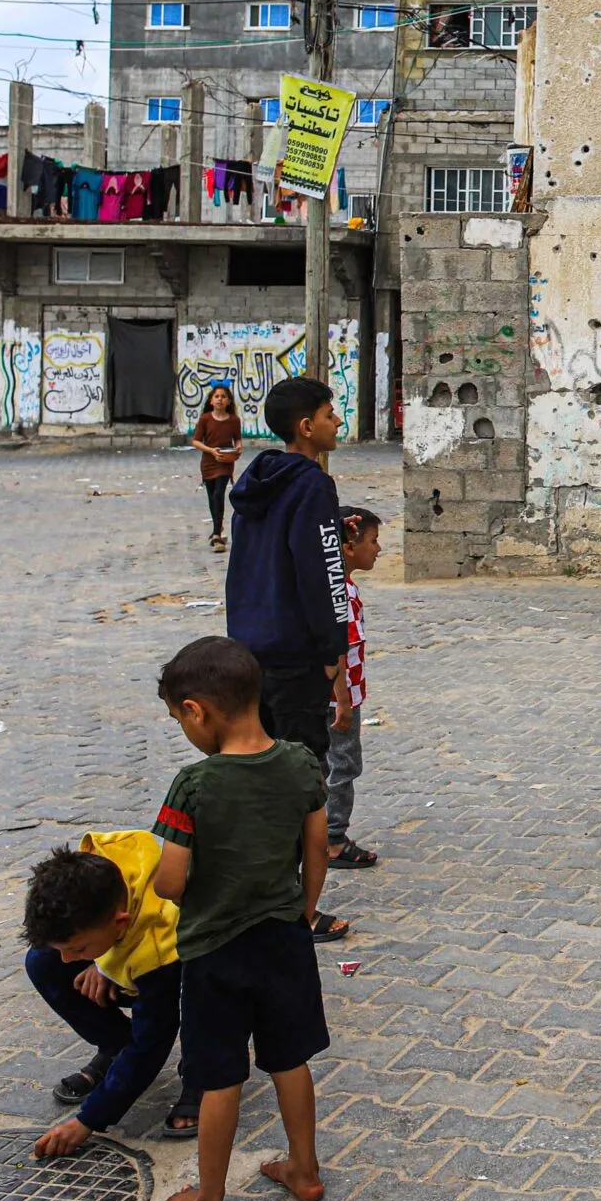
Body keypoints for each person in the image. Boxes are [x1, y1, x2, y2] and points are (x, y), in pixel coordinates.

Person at [150, 636, 332, 1201]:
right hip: (285, 939)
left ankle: (208, 1199)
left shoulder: (194, 786)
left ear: (196, 710)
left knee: (220, 1076)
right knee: (289, 1058)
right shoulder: (301, 763)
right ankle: (304, 1170)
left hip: (214, 951)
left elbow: (171, 883)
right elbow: (319, 850)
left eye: (181, 718)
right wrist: (303, 913)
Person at [224, 377, 353, 919]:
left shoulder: (258, 483)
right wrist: (335, 649)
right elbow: (322, 573)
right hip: (298, 654)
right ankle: (296, 907)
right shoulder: (312, 485)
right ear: (306, 426)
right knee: (301, 782)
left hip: (250, 649)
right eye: (330, 413)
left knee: (258, 773)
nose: (338, 421)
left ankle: (252, 891)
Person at [20, 834, 198, 1158]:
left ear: (120, 924)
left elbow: (152, 1042)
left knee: (205, 995)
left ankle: (202, 1073)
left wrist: (89, 1120)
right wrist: (101, 961)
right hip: (128, 943)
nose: (69, 959)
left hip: (194, 957)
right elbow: (81, 942)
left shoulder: (154, 950)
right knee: (42, 962)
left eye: (78, 949)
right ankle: (116, 1047)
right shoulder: (101, 865)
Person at [324, 507, 381, 870]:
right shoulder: (338, 592)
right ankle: (332, 838)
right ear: (348, 547)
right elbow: (339, 648)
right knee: (343, 764)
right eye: (373, 542)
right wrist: (343, 699)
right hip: (339, 697)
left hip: (343, 693)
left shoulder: (340, 587)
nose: (378, 550)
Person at [192, 384, 243, 553]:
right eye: (216, 396)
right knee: (211, 496)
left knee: (219, 493)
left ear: (228, 401)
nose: (220, 399)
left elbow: (237, 439)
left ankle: (216, 534)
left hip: (225, 462)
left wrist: (238, 448)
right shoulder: (205, 419)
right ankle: (217, 528)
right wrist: (211, 451)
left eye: (223, 396)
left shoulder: (234, 420)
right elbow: (196, 441)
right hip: (209, 462)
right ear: (211, 401)